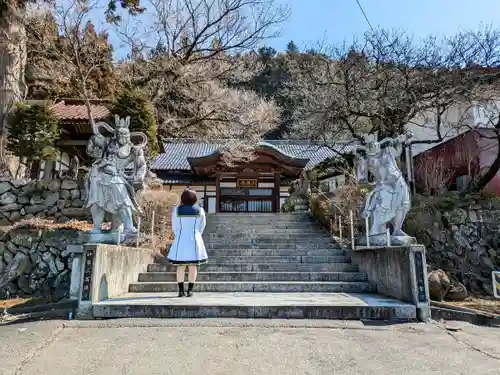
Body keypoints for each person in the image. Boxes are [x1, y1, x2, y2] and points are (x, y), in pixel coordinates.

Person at [167, 188, 208, 297]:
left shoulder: (177, 210)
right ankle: (190, 291)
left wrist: (180, 235)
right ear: (195, 198)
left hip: (181, 239)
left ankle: (180, 291)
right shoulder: (200, 210)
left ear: (183, 198)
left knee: (180, 266)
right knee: (193, 266)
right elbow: (202, 226)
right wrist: (197, 235)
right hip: (195, 239)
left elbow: (175, 226)